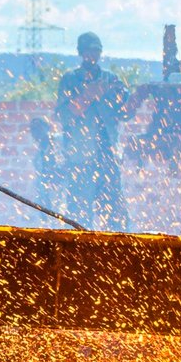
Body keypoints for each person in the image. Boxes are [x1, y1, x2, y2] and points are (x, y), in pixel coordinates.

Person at [55, 31, 131, 231]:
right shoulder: (71, 80)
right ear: (81, 52)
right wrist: (88, 95)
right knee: (79, 213)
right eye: (88, 51)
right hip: (80, 157)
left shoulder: (110, 79)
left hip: (108, 156)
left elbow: (125, 110)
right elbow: (64, 116)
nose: (92, 55)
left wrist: (122, 96)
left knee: (116, 212)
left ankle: (120, 246)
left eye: (96, 51)